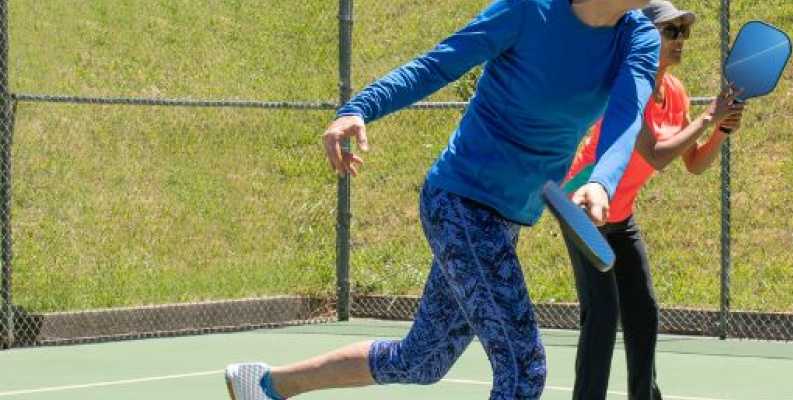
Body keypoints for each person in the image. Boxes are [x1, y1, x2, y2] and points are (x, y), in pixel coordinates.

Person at [222, 0, 661, 399]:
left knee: (421, 359)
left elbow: (627, 114)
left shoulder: (638, 37)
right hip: (459, 203)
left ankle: (265, 384)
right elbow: (438, 64)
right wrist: (358, 107)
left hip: (507, 216)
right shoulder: (528, 11)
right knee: (523, 365)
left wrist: (602, 182)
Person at [561, 2, 747, 399]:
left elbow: (693, 162)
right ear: (645, 36)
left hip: (620, 214)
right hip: (580, 205)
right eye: (671, 31)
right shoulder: (627, 84)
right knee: (604, 315)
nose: (680, 39)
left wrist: (720, 131)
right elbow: (656, 155)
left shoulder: (676, 93)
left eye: (683, 31)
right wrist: (708, 117)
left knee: (643, 312)